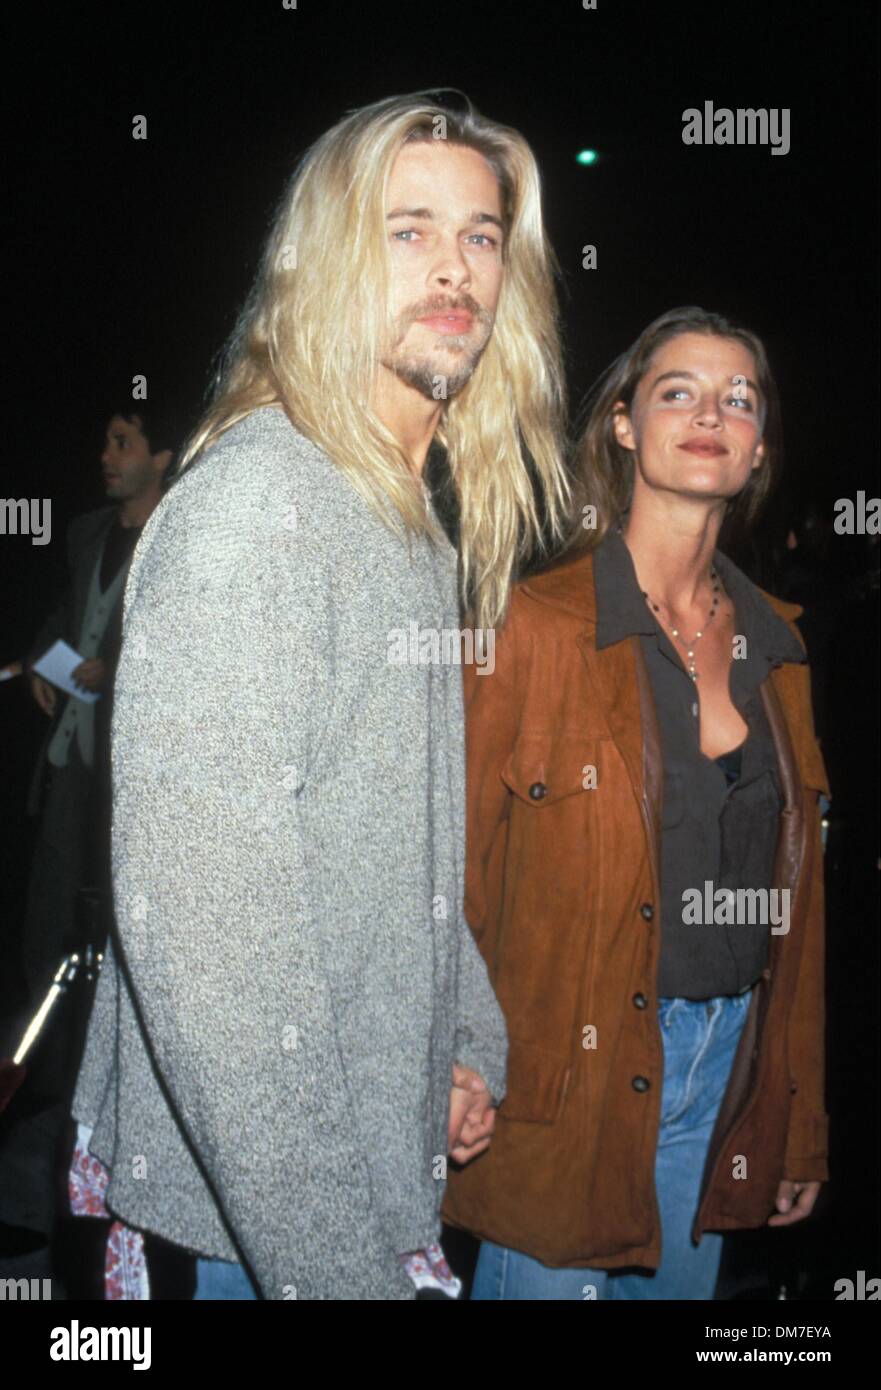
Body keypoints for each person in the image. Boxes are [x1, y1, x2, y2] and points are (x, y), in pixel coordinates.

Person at [70, 90, 572, 1300]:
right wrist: (342, 1274)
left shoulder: (405, 523)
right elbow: (210, 952)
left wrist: (455, 1038)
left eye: (481, 234)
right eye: (406, 230)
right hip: (254, 1219)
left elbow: (389, 848)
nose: (454, 268)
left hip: (352, 1173)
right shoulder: (261, 508)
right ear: (324, 260)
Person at [442, 306, 830, 1299]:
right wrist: (446, 1059)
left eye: (736, 398)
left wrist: (795, 1115)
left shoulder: (777, 648)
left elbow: (800, 914)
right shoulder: (530, 625)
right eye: (677, 391)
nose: (710, 412)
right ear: (622, 424)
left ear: (756, 447)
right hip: (565, 1080)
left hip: (722, 1079)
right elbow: (450, 875)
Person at [0, 409, 173, 1247]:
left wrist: (127, 662)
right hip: (68, 782)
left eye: (124, 443)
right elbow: (69, 616)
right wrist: (45, 657)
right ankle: (29, 1196)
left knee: (115, 999)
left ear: (162, 455)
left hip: (131, 805)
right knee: (43, 979)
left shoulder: (182, 537)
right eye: (103, 440)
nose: (106, 457)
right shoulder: (83, 534)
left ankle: (101, 1203)